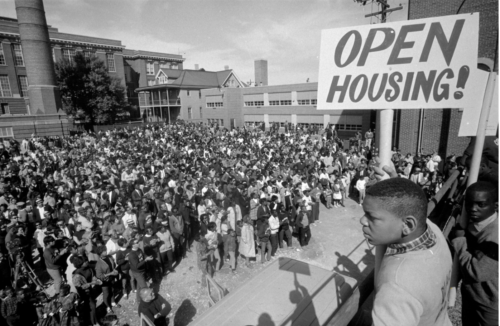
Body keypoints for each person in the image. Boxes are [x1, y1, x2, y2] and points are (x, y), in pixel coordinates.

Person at [360, 178, 452, 326]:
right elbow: (410, 209)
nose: (362, 221)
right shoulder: (434, 233)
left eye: (372, 217)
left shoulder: (396, 287)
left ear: (408, 224)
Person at [452, 181, 498, 326]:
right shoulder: (471, 223)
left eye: (480, 204)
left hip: (490, 304)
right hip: (473, 295)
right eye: (469, 203)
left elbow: (478, 272)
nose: (473, 209)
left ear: (495, 206)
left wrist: (459, 240)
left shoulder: (495, 236)